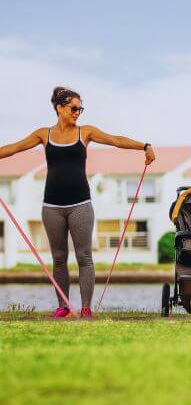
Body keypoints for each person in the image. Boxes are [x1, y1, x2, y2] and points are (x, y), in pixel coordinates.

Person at [0, 86, 156, 317]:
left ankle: (85, 309)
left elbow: (115, 140)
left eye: (80, 109)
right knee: (59, 258)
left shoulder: (86, 132)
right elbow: (13, 148)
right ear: (59, 108)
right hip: (52, 207)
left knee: (84, 257)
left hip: (80, 204)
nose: (77, 112)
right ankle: (63, 307)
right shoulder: (44, 134)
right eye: (74, 108)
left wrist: (144, 146)